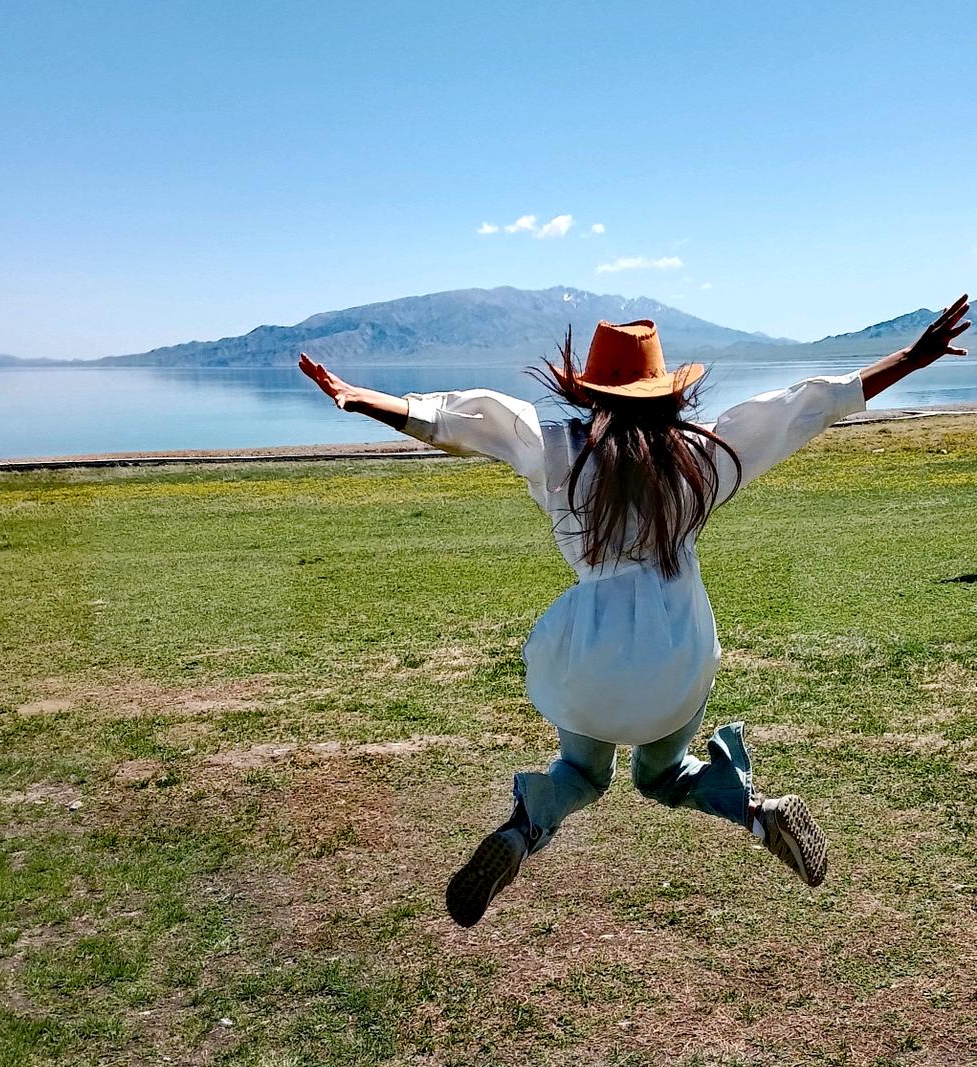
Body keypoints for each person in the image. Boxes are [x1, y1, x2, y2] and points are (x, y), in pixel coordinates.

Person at [298, 295, 970, 928]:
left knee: (583, 774)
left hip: (592, 650)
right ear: (668, 390)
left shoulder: (560, 450)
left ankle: (523, 830)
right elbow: (803, 408)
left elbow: (470, 421)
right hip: (678, 648)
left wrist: (364, 400)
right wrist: (910, 360)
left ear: (586, 389)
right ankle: (755, 811)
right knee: (664, 774)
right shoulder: (702, 455)